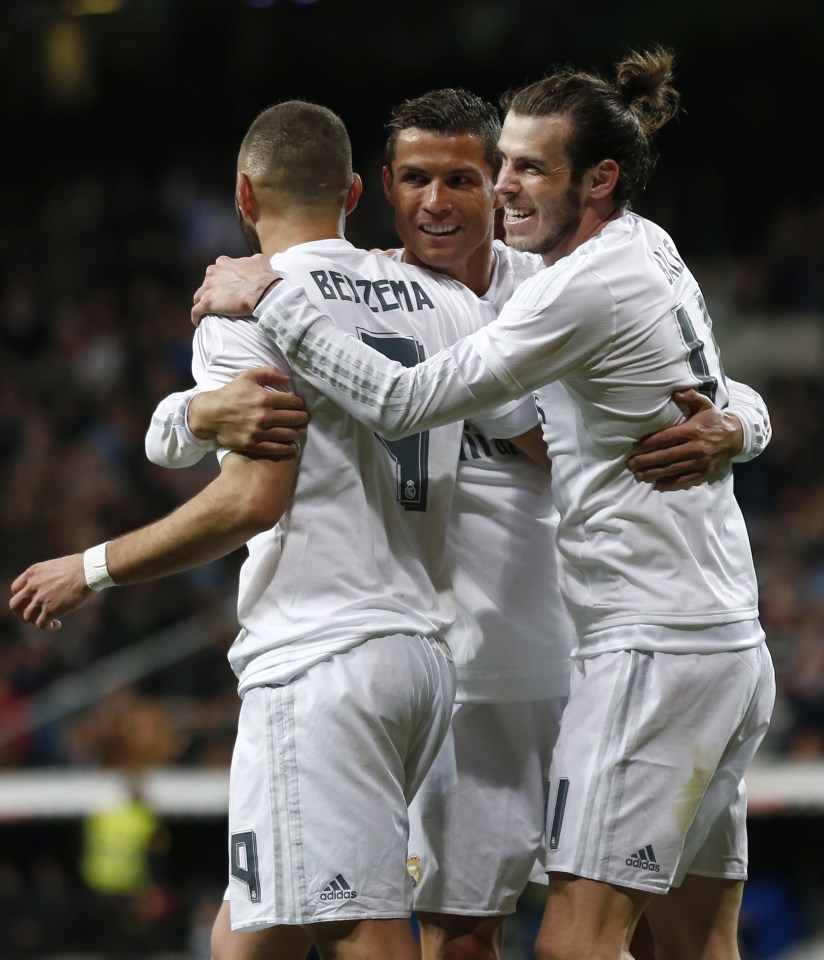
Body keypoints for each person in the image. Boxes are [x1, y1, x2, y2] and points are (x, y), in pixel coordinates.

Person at [158, 88, 772, 960]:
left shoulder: (550, 285)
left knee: (591, 938)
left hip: (605, 658)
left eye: (471, 177)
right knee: (464, 934)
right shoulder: (368, 291)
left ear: (495, 187)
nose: (438, 202)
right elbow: (698, 372)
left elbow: (404, 400)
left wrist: (741, 425)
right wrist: (190, 413)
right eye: (415, 179)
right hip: (469, 676)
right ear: (378, 188)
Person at [9, 100, 544, 960]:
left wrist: (94, 566)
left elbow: (253, 501)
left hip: (320, 655)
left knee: (363, 928)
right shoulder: (444, 301)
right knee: (256, 922)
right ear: (357, 192)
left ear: (243, 196)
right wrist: (183, 415)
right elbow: (543, 440)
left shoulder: (244, 303)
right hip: (420, 655)